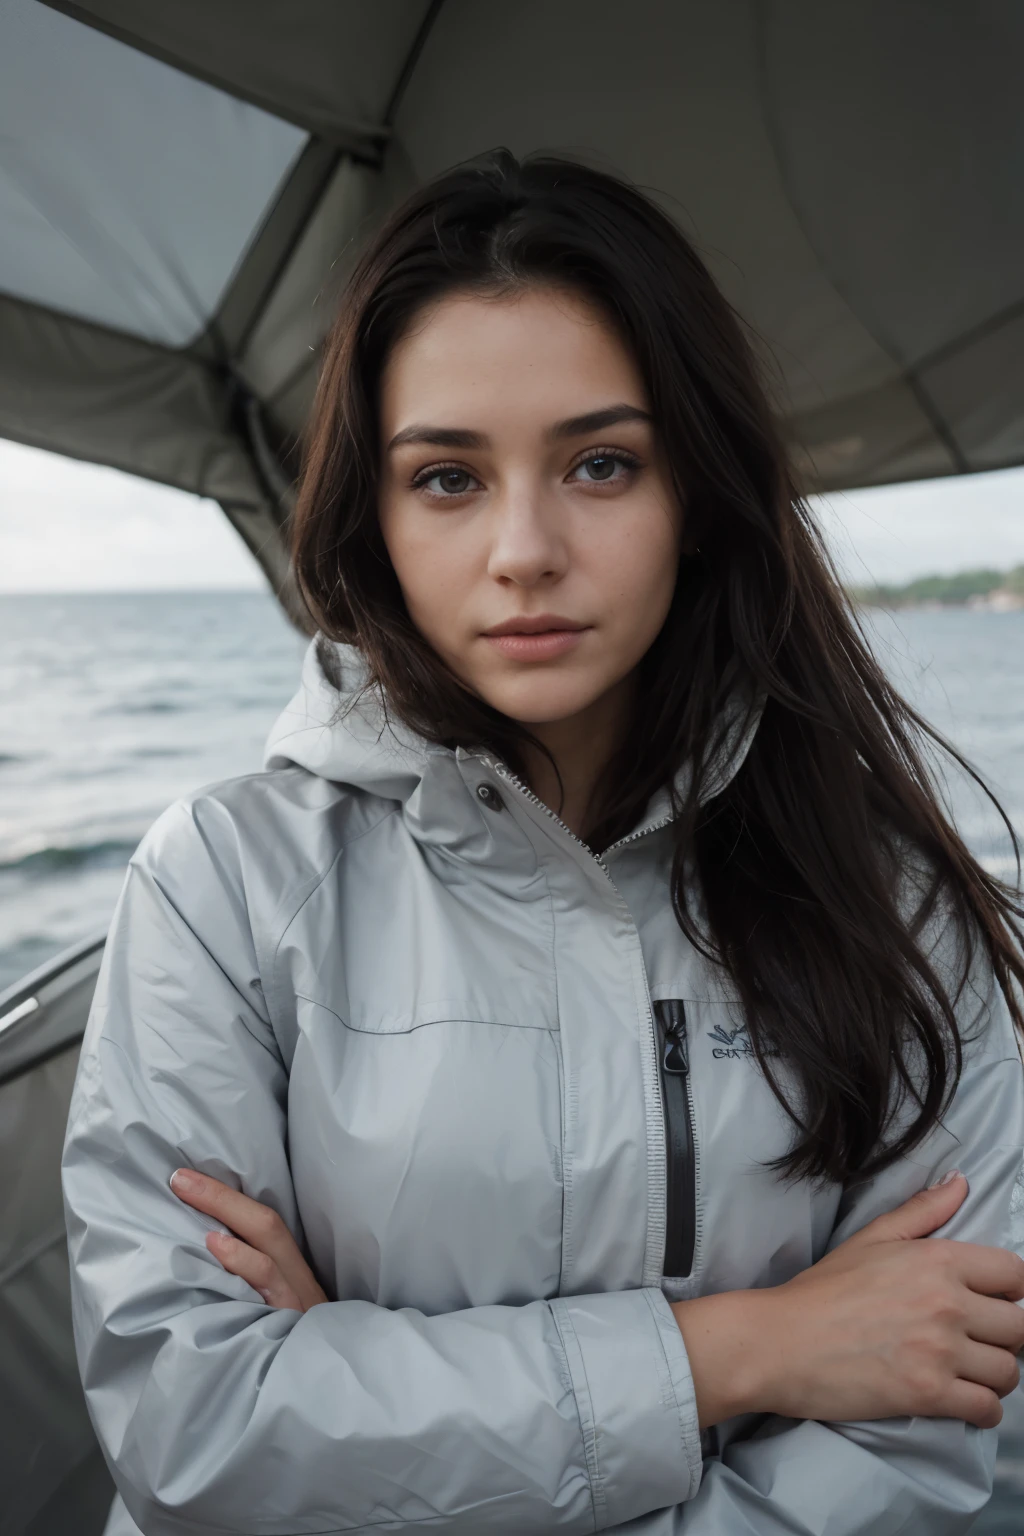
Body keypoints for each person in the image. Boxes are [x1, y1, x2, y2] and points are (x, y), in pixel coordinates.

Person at [63, 151, 1024, 1536]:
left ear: (697, 497)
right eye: (448, 478)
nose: (524, 547)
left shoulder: (901, 909)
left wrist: (357, 1392)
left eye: (601, 464)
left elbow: (915, 1436)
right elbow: (197, 1428)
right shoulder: (222, 887)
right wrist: (740, 1350)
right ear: (374, 519)